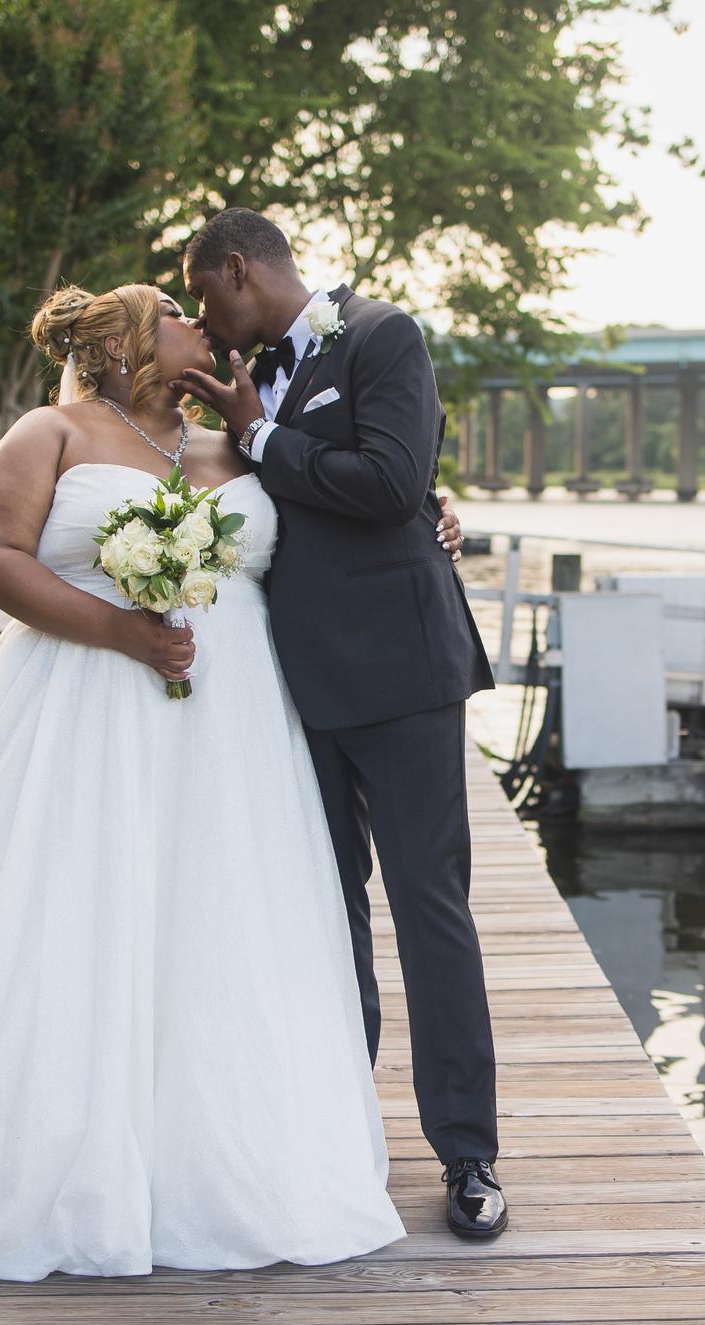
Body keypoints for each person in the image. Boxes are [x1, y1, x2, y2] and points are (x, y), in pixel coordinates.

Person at [0, 282, 468, 1279]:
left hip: (236, 737)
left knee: (221, 926)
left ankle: (226, 1153)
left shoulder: (237, 444)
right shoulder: (49, 433)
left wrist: (432, 506)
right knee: (72, 917)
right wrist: (121, 633)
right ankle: (46, 1153)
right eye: (180, 316)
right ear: (136, 341)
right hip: (80, 711)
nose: (203, 327)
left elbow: (350, 503)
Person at [175, 208, 505, 1238]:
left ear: (237, 271)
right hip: (294, 687)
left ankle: (468, 1156)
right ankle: (337, 1138)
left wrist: (264, 435)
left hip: (403, 678)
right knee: (327, 916)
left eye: (202, 296)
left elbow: (391, 480)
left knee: (428, 910)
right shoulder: (243, 380)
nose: (200, 318)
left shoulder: (381, 336)